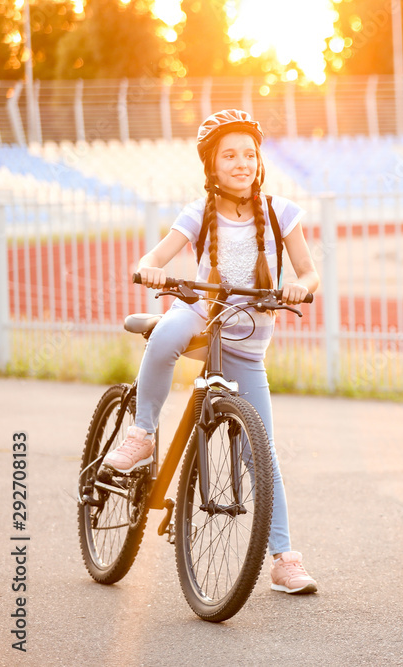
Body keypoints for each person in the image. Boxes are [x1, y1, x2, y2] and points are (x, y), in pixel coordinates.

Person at [102, 109, 320, 594]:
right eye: (230, 155)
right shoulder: (198, 211)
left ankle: (284, 559)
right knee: (164, 336)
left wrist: (299, 288)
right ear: (212, 165)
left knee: (259, 453)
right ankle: (141, 432)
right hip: (203, 313)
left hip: (248, 336)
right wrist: (152, 271)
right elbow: (153, 258)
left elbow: (309, 272)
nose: (242, 162)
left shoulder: (281, 211)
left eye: (249, 153)